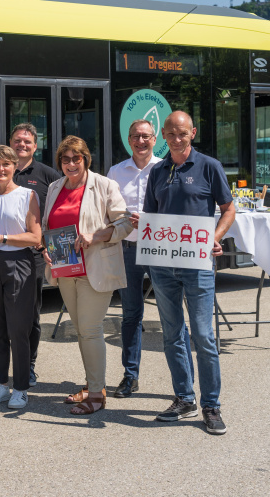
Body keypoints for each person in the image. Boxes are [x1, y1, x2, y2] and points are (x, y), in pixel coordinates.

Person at [143, 111, 235, 435]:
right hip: (162, 266)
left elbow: (228, 209)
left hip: (197, 264)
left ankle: (211, 405)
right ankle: (184, 398)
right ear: (163, 136)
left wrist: (214, 237)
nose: (177, 139)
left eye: (182, 133)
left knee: (203, 335)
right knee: (172, 334)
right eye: (171, 134)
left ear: (192, 133)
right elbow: (151, 215)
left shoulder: (209, 166)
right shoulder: (157, 171)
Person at [42, 136, 132, 415]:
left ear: (86, 159)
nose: (71, 164)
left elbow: (125, 223)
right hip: (65, 270)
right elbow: (48, 226)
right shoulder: (55, 187)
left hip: (95, 269)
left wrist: (96, 235)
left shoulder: (104, 185)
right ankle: (93, 384)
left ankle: (96, 394)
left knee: (91, 330)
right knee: (81, 330)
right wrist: (46, 248)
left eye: (76, 158)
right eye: (65, 159)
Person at [0, 123, 60, 387]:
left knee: (28, 318)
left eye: (27, 141)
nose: (22, 145)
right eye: (17, 141)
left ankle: (27, 368)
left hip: (31, 258)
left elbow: (54, 217)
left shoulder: (47, 176)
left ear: (35, 145)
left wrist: (52, 250)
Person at [0, 145, 42, 410]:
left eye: (6, 164)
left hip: (19, 263)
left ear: (15, 166)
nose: (0, 169)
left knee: (19, 329)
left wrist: (2, 238)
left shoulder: (28, 195)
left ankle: (21, 388)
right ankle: (1, 384)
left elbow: (35, 237)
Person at [106, 120, 164, 398]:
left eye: (145, 136)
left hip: (160, 248)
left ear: (154, 139)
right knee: (130, 315)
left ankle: (183, 384)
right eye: (135, 137)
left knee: (171, 314)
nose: (140, 141)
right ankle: (131, 376)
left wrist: (151, 220)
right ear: (128, 140)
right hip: (127, 249)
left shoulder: (166, 168)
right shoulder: (116, 172)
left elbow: (175, 209)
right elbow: (107, 210)